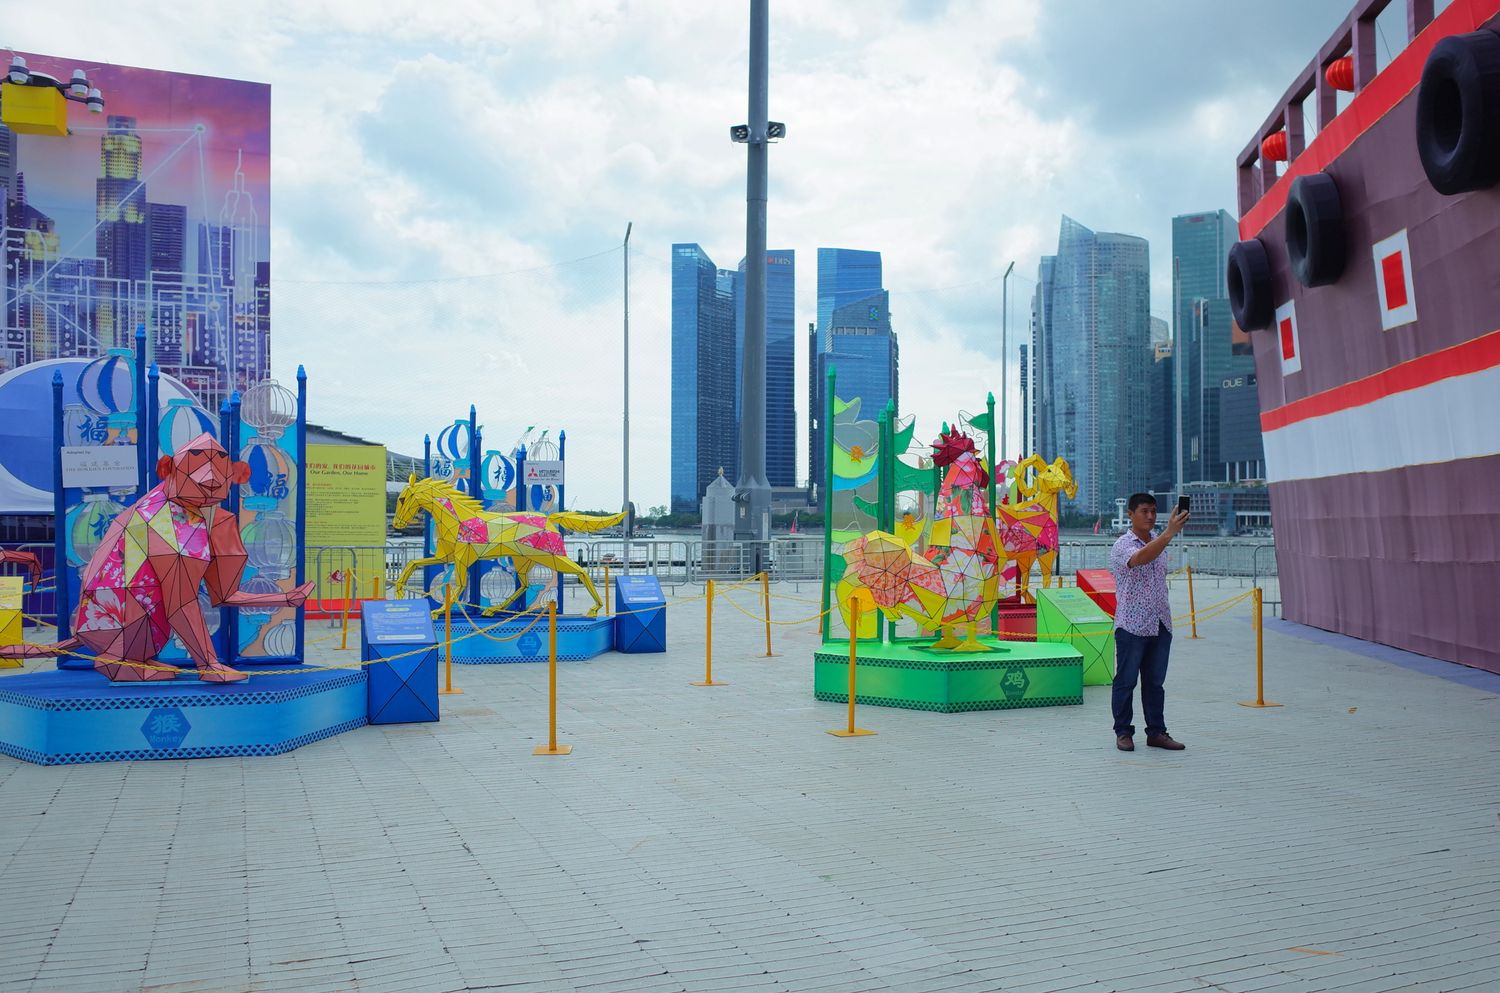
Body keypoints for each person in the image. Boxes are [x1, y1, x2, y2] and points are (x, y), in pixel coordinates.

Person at [1108, 493, 1188, 753]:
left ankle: (1156, 731)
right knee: (1126, 681)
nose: (1150, 516)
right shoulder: (1123, 545)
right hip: (1132, 625)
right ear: (1130, 514)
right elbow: (1140, 559)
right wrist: (1169, 533)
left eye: (1154, 511)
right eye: (1144, 511)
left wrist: (1166, 535)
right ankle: (1123, 732)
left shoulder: (1158, 542)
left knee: (1155, 683)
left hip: (1160, 622)